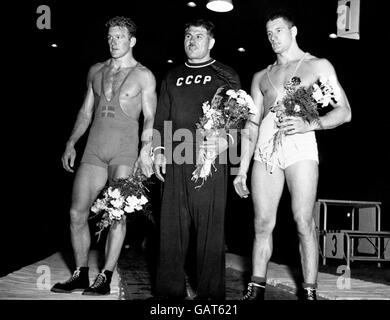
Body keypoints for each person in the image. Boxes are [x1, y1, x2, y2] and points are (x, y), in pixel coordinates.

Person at [233, 10, 351, 300]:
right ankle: (256, 288)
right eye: (269, 33)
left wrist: (310, 123)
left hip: (300, 144)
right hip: (265, 146)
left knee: (303, 220)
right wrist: (241, 169)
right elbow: (251, 124)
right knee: (262, 222)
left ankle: (309, 291)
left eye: (278, 31)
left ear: (293, 31)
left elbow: (344, 112)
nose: (273, 37)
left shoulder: (317, 65)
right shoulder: (261, 76)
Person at [51, 16, 157, 295]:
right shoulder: (96, 71)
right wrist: (71, 141)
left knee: (116, 215)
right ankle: (80, 273)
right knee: (76, 213)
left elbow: (150, 118)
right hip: (94, 149)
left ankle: (105, 276)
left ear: (132, 40)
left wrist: (146, 149)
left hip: (124, 150)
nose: (113, 41)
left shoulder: (144, 75)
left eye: (119, 36)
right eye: (110, 36)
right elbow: (86, 111)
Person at [152, 19, 240, 300]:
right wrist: (157, 150)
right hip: (176, 160)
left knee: (210, 233)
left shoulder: (225, 74)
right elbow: (161, 117)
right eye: (188, 35)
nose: (192, 40)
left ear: (211, 42)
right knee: (170, 231)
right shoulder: (172, 75)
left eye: (199, 36)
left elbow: (236, 116)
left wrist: (226, 140)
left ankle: (211, 299)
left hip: (209, 159)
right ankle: (168, 296)